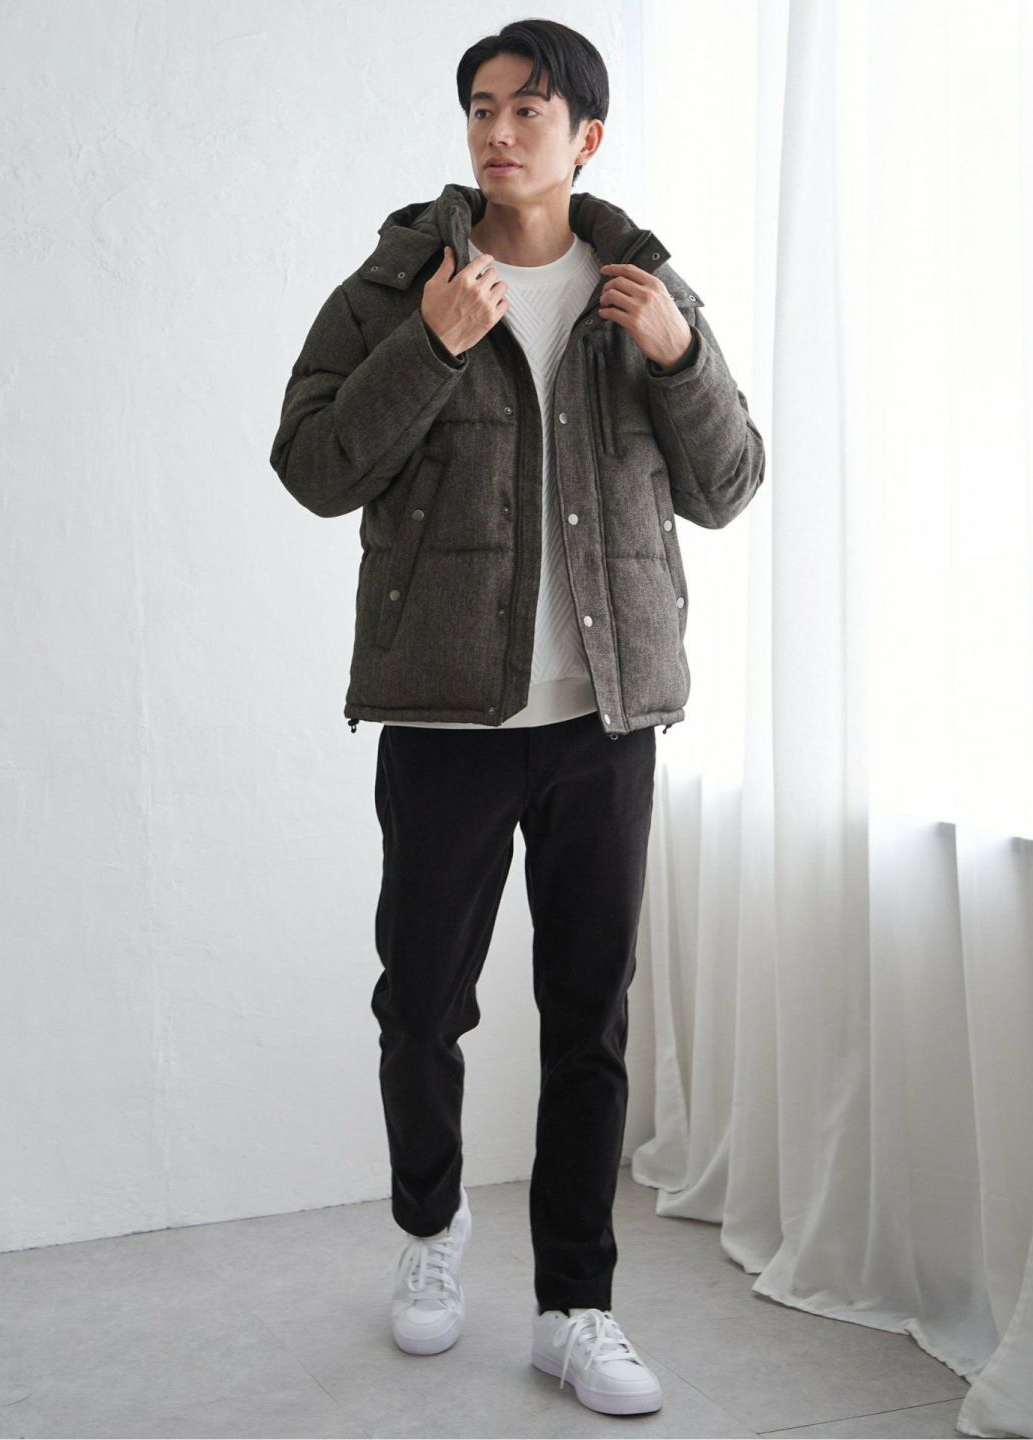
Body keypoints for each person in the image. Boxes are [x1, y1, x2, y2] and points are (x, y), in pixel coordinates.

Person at [269, 16, 766, 1419]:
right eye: (481, 107)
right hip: (446, 720)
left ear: (584, 136)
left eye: (528, 109)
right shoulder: (402, 283)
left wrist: (680, 355)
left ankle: (574, 1307)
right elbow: (313, 465)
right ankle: (432, 1231)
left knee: (588, 1019)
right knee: (422, 1002)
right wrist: (430, 347)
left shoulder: (643, 290)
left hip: (605, 722)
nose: (497, 131)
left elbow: (729, 485)